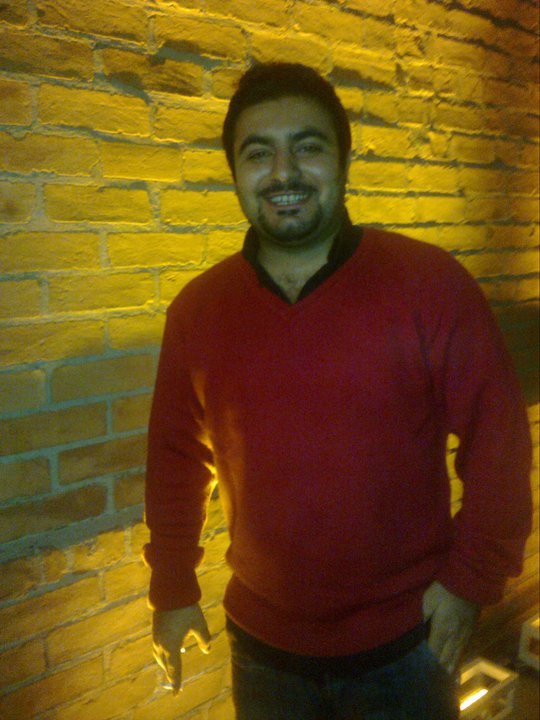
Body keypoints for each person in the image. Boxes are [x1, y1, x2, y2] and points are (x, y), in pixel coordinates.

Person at [144, 63, 532, 719]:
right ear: (235, 172)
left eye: (308, 146)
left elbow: (499, 442)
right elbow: (177, 457)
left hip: (407, 647)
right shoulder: (198, 312)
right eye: (258, 153)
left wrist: (471, 581)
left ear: (344, 161)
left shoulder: (430, 287)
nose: (284, 172)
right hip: (263, 654)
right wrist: (174, 586)